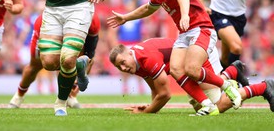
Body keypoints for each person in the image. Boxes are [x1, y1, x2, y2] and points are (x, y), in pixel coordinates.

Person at [107, 0, 241, 116]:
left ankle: (228, 84)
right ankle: (207, 105)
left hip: (200, 28)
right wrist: (126, 18)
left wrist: (185, 15)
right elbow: (148, 9)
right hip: (186, 33)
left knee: (193, 71)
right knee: (177, 70)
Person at [109, 38, 274, 114]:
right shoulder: (135, 61)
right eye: (119, 66)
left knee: (217, 106)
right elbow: (155, 87)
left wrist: (147, 112)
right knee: (198, 106)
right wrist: (152, 106)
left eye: (123, 62)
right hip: (189, 60)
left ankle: (264, 87)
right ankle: (232, 71)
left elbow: (165, 94)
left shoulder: (146, 58)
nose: (123, 68)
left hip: (196, 60)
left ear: (130, 53)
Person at [8, 12, 100, 109]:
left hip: (74, 32)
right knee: (35, 66)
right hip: (48, 27)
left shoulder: (92, 20)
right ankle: (19, 95)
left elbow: (89, 56)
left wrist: (77, 85)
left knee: (77, 61)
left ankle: (70, 96)